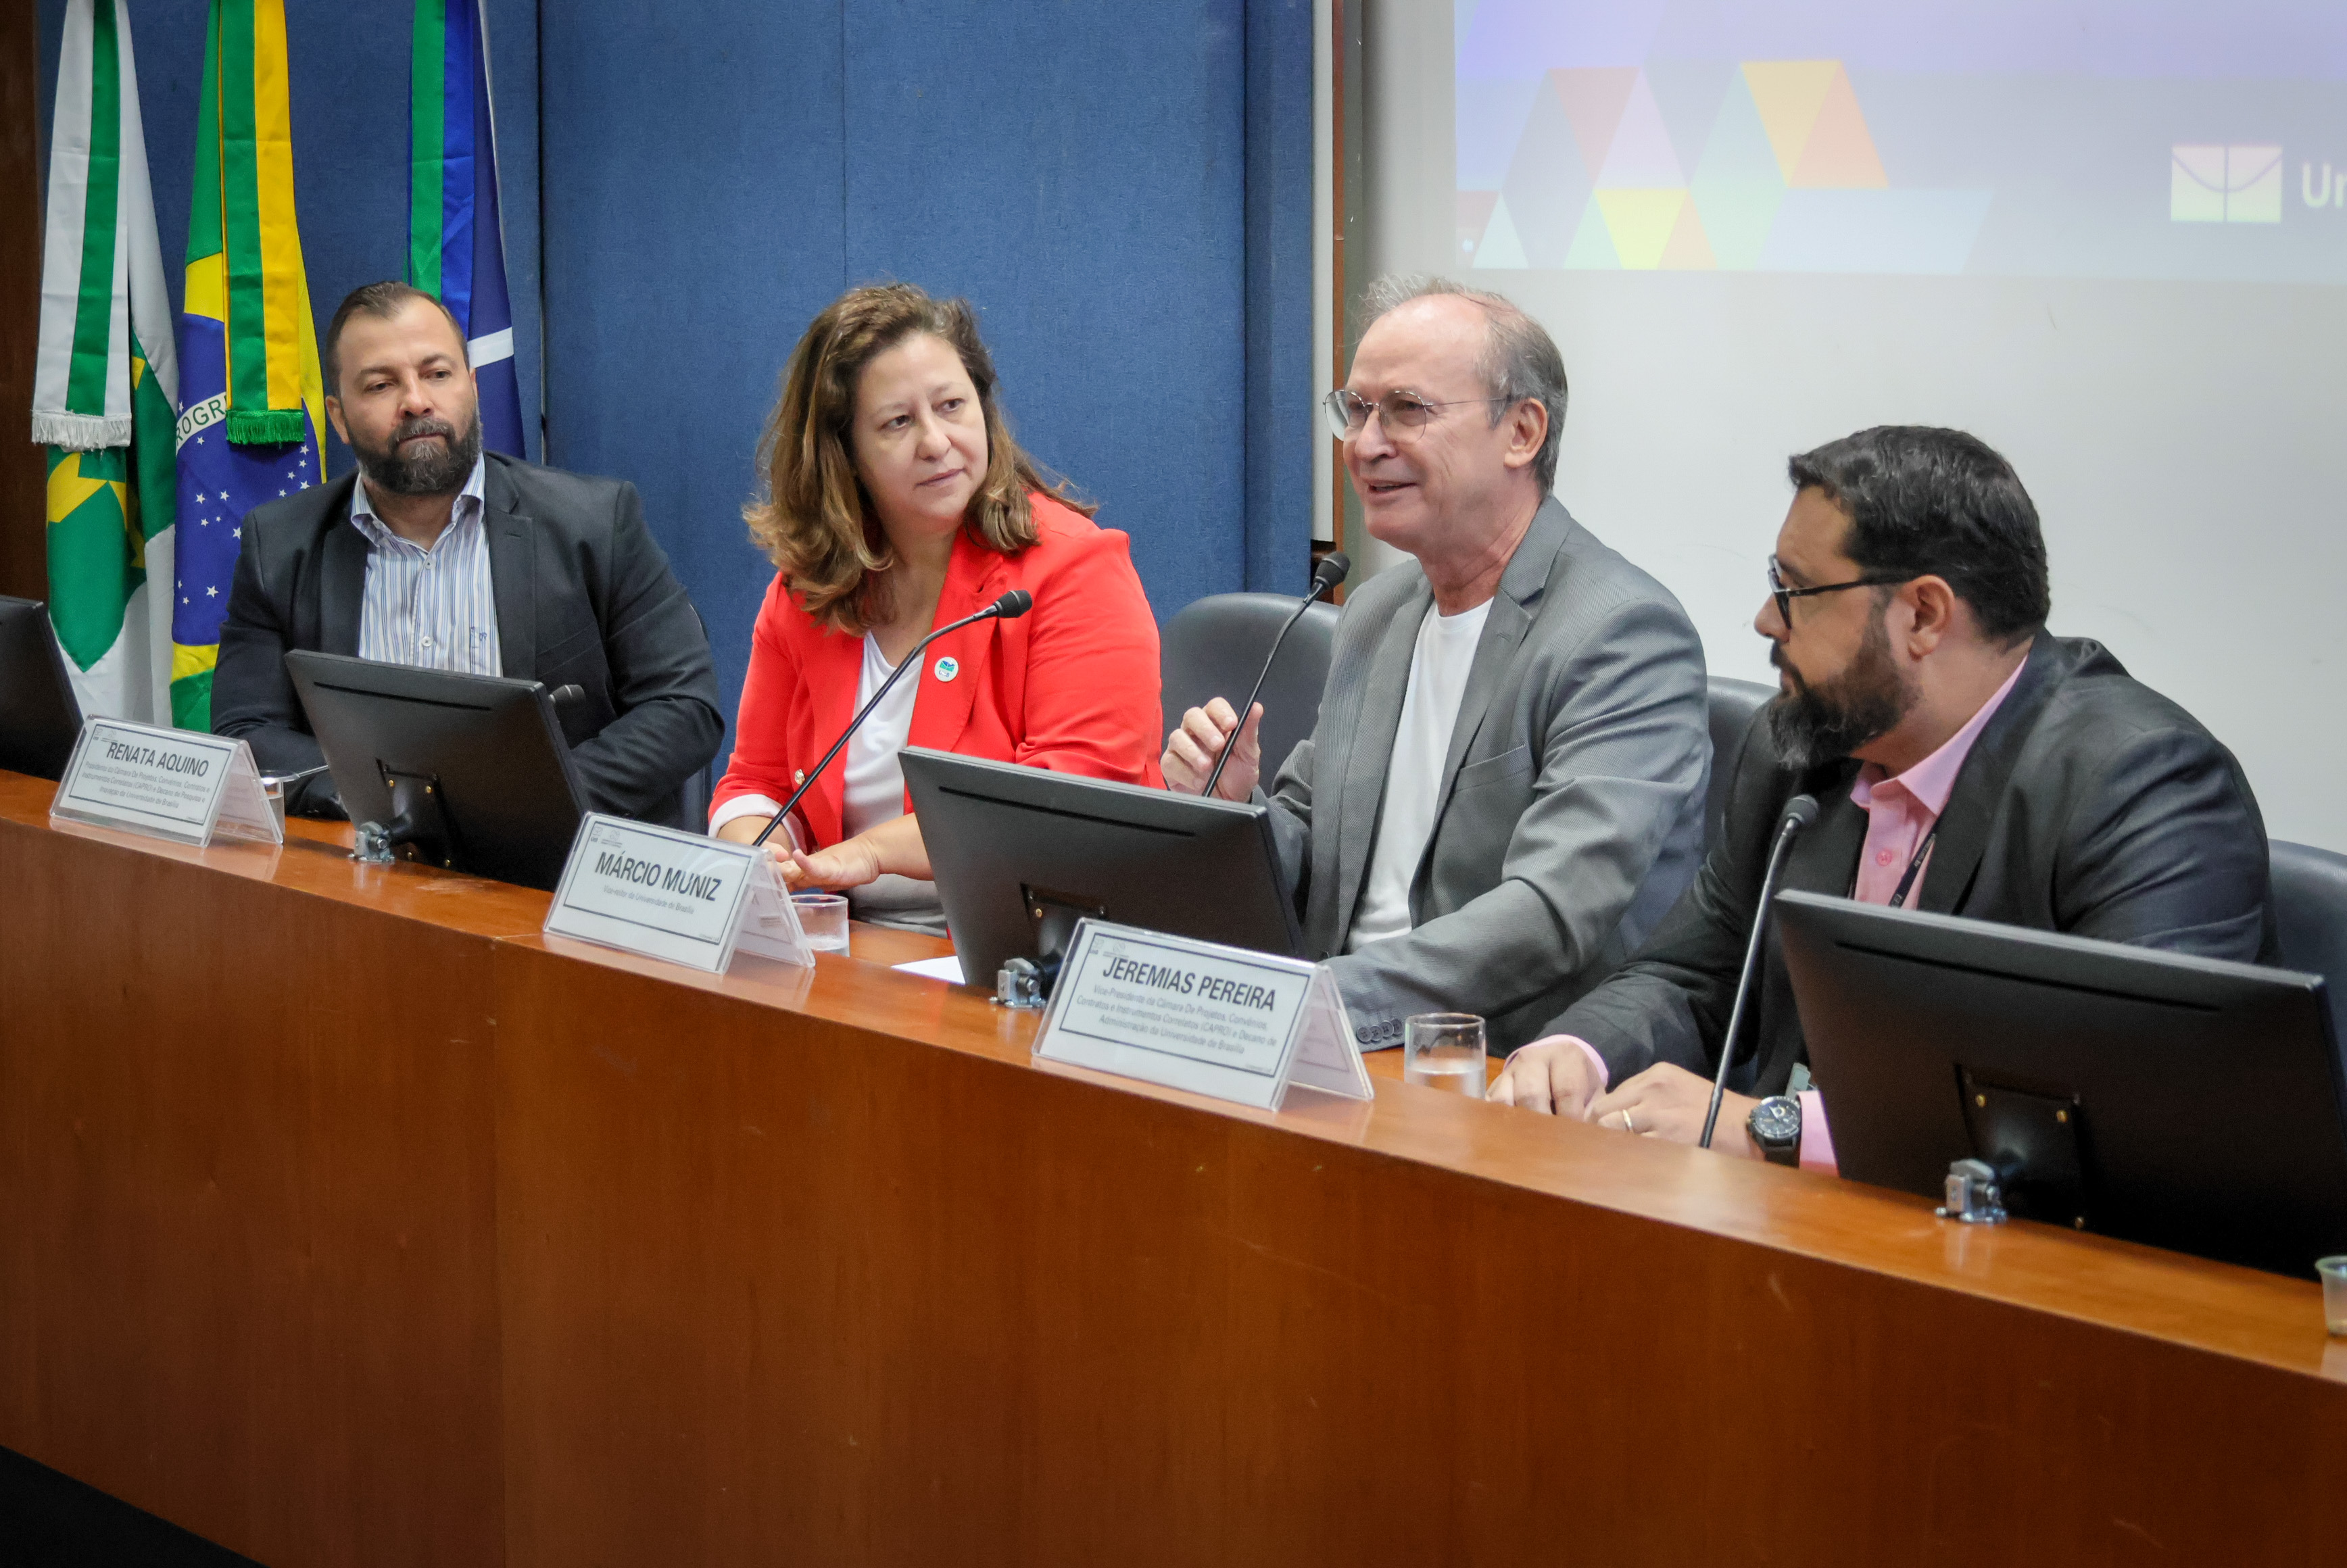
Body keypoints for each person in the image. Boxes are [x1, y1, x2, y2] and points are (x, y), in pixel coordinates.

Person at [1490, 425, 2275, 1167]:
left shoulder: (2140, 785)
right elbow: (1692, 972)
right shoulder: (1801, 749)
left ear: (1924, 614)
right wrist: (1579, 1052)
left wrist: (1777, 1130)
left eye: (1794, 589)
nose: (1765, 619)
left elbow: (2126, 1110)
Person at [1163, 276, 1708, 1052]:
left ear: (1521, 432)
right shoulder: (1377, 611)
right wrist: (1232, 810)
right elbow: (1313, 848)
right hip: (1335, 1034)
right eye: (1355, 410)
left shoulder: (1622, 634)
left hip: (1500, 1062)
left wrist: (1311, 1002)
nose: (1364, 444)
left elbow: (1548, 913)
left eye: (1406, 410)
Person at [710, 283, 1163, 931]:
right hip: (848, 939)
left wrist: (868, 854)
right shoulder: (808, 591)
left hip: (1027, 943)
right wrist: (759, 854)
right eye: (898, 422)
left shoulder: (1075, 568)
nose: (935, 441)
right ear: (846, 455)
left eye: (952, 406)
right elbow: (756, 780)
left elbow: (1062, 805)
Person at [213, 282, 723, 827]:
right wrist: (384, 796)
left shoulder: (595, 523)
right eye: (382, 385)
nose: (416, 401)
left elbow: (684, 706)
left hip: (552, 853)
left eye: (437, 374)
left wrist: (533, 801)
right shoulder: (280, 545)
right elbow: (247, 731)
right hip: (367, 857)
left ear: (473, 387)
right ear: (338, 418)